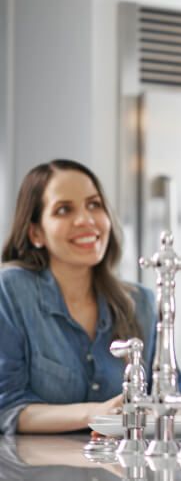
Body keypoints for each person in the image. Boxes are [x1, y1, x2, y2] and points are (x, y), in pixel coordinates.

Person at [0, 159, 157, 434]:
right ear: (36, 232)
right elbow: (6, 407)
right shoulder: (11, 291)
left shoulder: (140, 302)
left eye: (94, 205)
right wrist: (95, 413)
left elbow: (168, 396)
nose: (85, 220)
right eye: (63, 210)